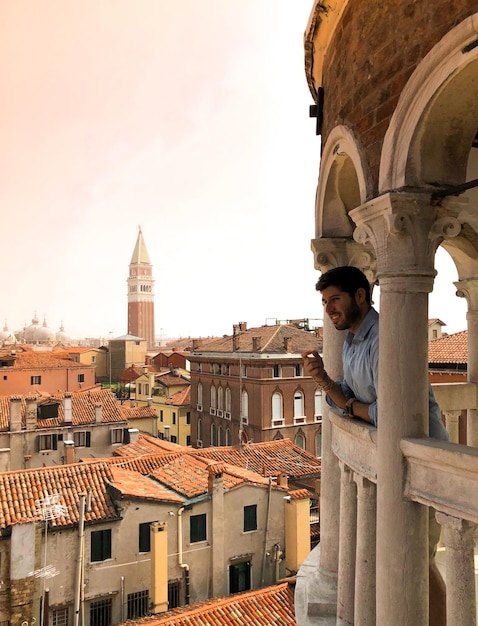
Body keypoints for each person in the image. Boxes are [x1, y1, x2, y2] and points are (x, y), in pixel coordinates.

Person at [303, 265, 447, 626]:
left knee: (419, 562)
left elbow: (389, 412)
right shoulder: (352, 340)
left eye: (335, 299)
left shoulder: (384, 336)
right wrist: (323, 379)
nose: (329, 308)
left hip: (422, 461)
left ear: (361, 295)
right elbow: (350, 399)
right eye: (324, 302)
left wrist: (353, 407)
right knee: (398, 560)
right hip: (388, 463)